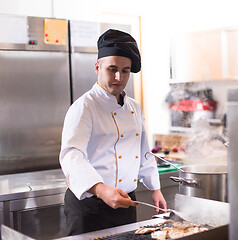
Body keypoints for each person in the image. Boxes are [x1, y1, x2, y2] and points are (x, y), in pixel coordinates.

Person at [59, 29, 166, 236]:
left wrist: (155, 189)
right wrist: (100, 189)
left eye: (125, 71)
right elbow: (72, 156)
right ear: (97, 67)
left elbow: (143, 151)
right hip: (90, 206)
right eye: (112, 69)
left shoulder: (134, 107)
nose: (119, 77)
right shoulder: (84, 107)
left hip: (125, 202)